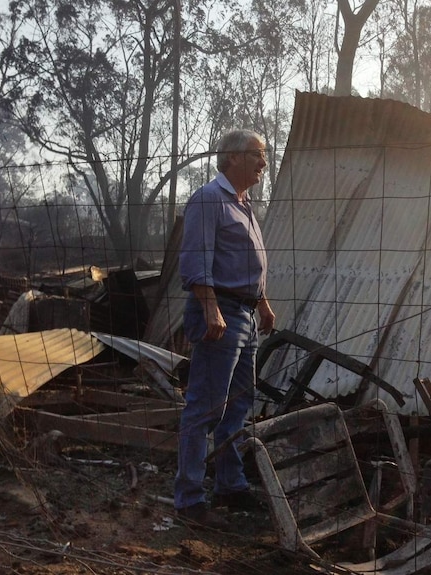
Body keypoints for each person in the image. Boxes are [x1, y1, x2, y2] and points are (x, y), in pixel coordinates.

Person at [174, 129, 276, 527]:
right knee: (205, 406)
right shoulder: (208, 200)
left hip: (245, 315)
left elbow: (249, 263)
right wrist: (211, 309)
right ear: (232, 157)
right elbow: (196, 260)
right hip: (222, 316)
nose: (263, 163)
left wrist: (263, 304)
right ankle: (189, 499)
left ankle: (230, 486)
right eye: (257, 155)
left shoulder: (243, 204)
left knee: (239, 404)